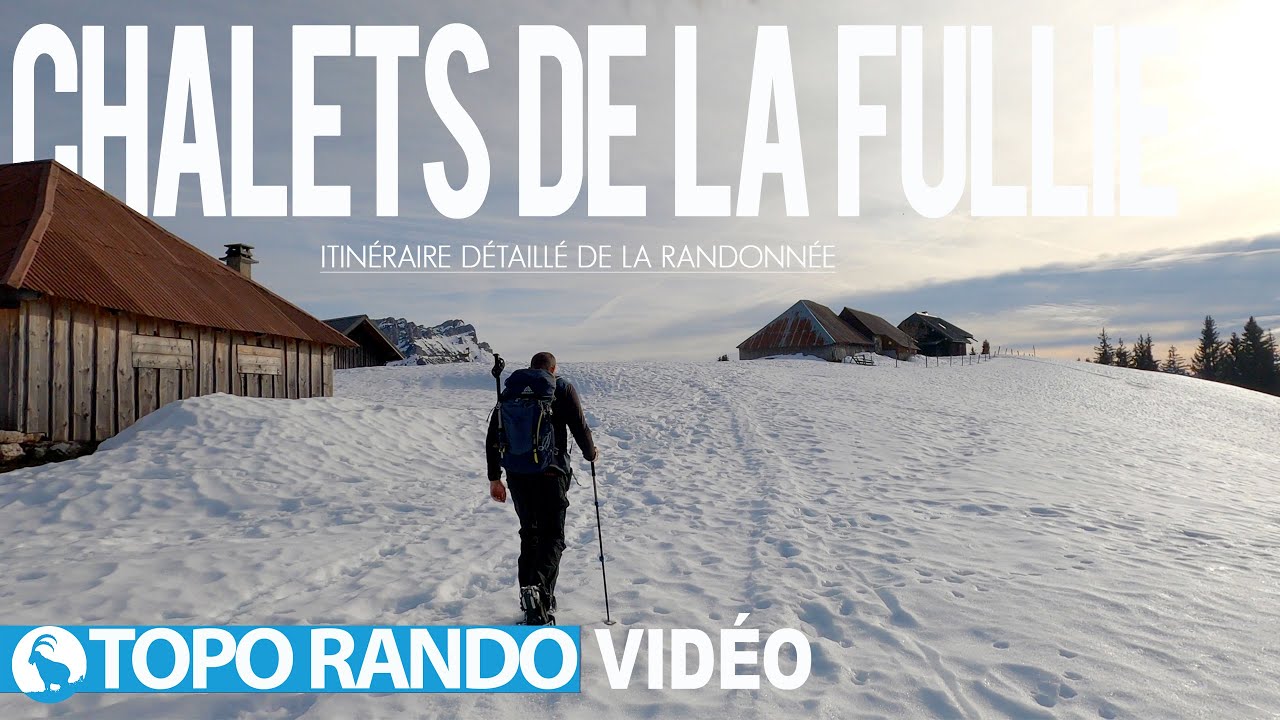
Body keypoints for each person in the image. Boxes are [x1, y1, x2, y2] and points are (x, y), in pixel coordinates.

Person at [486, 351, 598, 624]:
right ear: (553, 369)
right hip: (551, 473)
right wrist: (590, 453)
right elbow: (579, 426)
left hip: (517, 474)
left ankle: (530, 598)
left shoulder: (512, 390)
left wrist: (494, 478)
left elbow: (493, 435)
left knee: (530, 534)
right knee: (552, 536)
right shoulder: (561, 388)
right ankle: (539, 593)